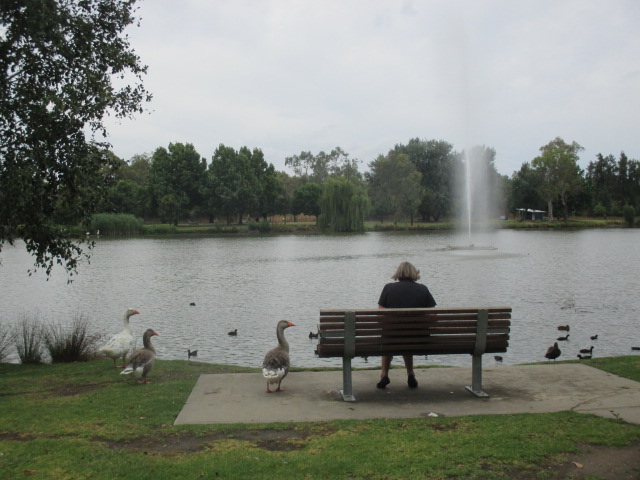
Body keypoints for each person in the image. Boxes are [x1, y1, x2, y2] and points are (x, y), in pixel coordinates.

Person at [377, 261, 436, 389]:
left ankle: (384, 375)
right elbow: (433, 315)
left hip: (392, 338)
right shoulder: (423, 289)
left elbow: (380, 313)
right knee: (407, 336)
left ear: (398, 273)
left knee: (390, 336)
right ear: (413, 273)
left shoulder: (388, 288)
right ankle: (410, 374)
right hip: (419, 339)